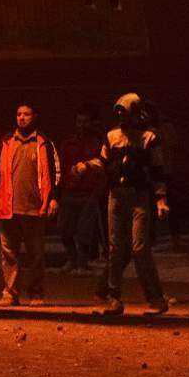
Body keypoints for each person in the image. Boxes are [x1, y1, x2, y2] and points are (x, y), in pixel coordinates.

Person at [71, 92, 170, 316]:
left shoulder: (148, 138)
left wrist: (160, 198)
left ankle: (156, 299)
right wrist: (86, 166)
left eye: (123, 111)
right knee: (115, 248)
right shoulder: (112, 136)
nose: (120, 116)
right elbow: (104, 161)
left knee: (139, 247)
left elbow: (157, 171)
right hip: (116, 195)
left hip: (139, 196)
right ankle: (114, 297)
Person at [0, 104, 60, 306]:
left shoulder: (44, 143)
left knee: (35, 255)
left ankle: (36, 294)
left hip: (34, 209)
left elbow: (56, 172)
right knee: (9, 254)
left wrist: (53, 198)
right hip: (8, 207)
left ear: (35, 116)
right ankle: (10, 293)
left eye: (26, 114)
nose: (22, 118)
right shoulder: (6, 142)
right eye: (18, 114)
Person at [55, 102, 107, 271]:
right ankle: (72, 258)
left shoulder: (98, 144)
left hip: (89, 193)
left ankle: (82, 262)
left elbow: (104, 166)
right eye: (79, 122)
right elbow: (60, 167)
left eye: (85, 122)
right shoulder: (67, 144)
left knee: (85, 232)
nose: (82, 126)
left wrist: (97, 191)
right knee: (64, 229)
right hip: (69, 192)